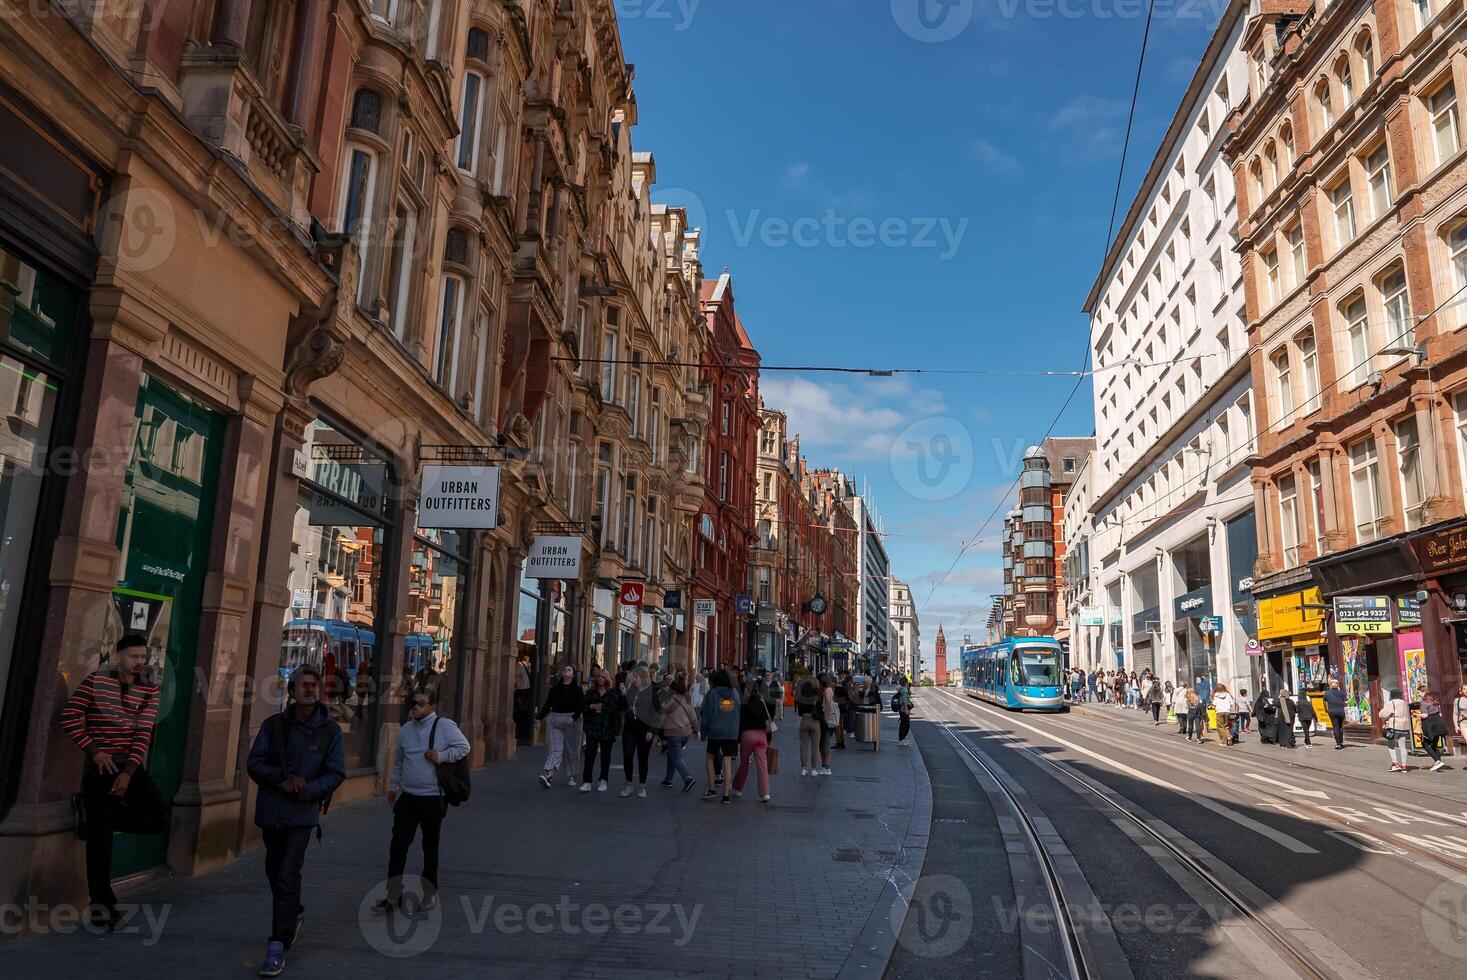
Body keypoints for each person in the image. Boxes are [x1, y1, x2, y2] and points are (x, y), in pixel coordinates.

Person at [60, 634, 166, 931]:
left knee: (157, 817)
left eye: (143, 657)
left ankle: (94, 820)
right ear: (118, 656)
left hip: (128, 766)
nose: (140, 662)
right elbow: (69, 716)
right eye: (133, 656)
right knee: (100, 845)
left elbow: (143, 733)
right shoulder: (96, 681)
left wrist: (128, 772)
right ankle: (102, 908)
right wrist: (94, 751)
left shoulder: (149, 690)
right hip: (100, 768)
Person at [246, 664, 346, 977]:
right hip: (272, 811)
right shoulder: (273, 726)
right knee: (274, 870)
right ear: (291, 691)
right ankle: (293, 910)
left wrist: (307, 788)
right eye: (303, 685)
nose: (309, 690)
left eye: (313, 686)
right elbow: (254, 763)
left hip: (302, 814)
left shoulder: (329, 731)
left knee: (288, 873)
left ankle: (279, 942)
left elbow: (335, 773)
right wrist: (281, 779)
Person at [373, 685, 469, 915]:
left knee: (429, 846)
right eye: (412, 704)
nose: (414, 708)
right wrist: (393, 786)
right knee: (398, 845)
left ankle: (429, 893)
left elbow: (464, 747)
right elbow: (399, 760)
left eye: (420, 704)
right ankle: (393, 894)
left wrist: (441, 756)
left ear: (432, 707)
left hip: (433, 798)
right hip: (408, 796)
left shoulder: (444, 726)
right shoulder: (406, 729)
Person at [536, 665, 582, 788]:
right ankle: (549, 776)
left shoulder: (577, 690)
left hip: (571, 722)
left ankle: (572, 775)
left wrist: (573, 718)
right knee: (555, 749)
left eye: (569, 670)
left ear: (573, 674)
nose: (566, 671)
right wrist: (539, 719)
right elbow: (547, 705)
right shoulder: (555, 690)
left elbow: (580, 707)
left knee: (572, 751)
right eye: (565, 669)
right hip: (555, 720)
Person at [701, 670, 741, 803]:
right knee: (727, 761)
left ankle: (712, 788)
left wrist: (703, 732)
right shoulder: (735, 694)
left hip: (715, 732)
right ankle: (725, 795)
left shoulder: (712, 694)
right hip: (731, 732)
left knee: (710, 758)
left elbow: (707, 715)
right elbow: (738, 712)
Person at [579, 670, 623, 792]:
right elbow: (582, 707)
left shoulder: (613, 694)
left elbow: (617, 713)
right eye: (598, 677)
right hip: (592, 727)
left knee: (605, 755)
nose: (600, 679)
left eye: (603, 677)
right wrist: (591, 707)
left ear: (607, 679)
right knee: (590, 754)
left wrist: (617, 729)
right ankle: (587, 781)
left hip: (607, 727)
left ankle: (603, 780)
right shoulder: (591, 693)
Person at [731, 680, 773, 802]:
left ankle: (737, 788)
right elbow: (767, 721)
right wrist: (769, 738)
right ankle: (765, 793)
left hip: (747, 735)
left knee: (744, 763)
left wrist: (738, 740)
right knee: (762, 765)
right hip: (762, 736)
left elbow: (740, 723)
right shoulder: (761, 702)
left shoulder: (744, 704)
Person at [620, 667, 658, 798]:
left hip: (644, 729)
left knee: (642, 758)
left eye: (635, 677)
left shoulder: (652, 692)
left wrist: (652, 731)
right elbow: (624, 705)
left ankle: (642, 786)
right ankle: (628, 783)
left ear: (642, 677)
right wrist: (623, 694)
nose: (633, 679)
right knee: (627, 754)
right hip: (630, 728)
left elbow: (657, 713)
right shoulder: (632, 689)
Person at [659, 676, 699, 791]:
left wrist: (656, 730)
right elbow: (692, 716)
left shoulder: (668, 700)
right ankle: (668, 779)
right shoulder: (686, 699)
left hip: (673, 732)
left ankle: (688, 778)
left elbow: (661, 717)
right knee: (672, 754)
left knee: (676, 757)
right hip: (686, 733)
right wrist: (695, 729)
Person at [797, 676, 823, 776]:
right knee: (815, 747)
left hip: (804, 719)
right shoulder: (817, 696)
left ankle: (803, 769)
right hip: (815, 721)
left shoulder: (801, 696)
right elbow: (821, 711)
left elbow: (799, 712)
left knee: (803, 745)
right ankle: (813, 769)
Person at [1381, 688, 1411, 773]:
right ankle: (1404, 766)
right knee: (1403, 747)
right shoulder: (1405, 703)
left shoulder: (1391, 703)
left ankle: (1395, 764)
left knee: (1391, 746)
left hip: (1394, 727)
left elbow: (1384, 714)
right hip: (1404, 727)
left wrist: (1381, 714)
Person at [1420, 692, 1448, 772]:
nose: (1419, 695)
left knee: (1424, 743)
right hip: (1438, 723)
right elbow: (1440, 714)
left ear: (1423, 692)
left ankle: (1437, 761)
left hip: (1430, 724)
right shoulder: (1435, 701)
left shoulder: (1423, 702)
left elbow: (1425, 715)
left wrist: (1416, 715)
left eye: (1419, 693)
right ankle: (1438, 763)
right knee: (1434, 744)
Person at [1323, 679, 1347, 750]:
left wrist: (1325, 709)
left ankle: (1338, 744)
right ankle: (1341, 742)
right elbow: (1345, 703)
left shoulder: (1327, 693)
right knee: (1340, 726)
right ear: (1338, 685)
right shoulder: (1342, 693)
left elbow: (1324, 702)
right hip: (1341, 712)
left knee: (1335, 727)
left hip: (1332, 711)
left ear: (1330, 685)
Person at [893, 676, 915, 744]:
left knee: (903, 723)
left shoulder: (900, 688)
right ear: (906, 683)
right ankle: (902, 739)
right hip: (903, 709)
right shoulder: (904, 690)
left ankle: (902, 738)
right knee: (906, 724)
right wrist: (906, 709)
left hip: (901, 709)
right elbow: (904, 700)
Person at [833, 672, 850, 749]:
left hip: (839, 707)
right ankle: (841, 741)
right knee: (841, 725)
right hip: (843, 707)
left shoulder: (839, 686)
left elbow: (835, 697)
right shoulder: (845, 686)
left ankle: (839, 742)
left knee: (838, 725)